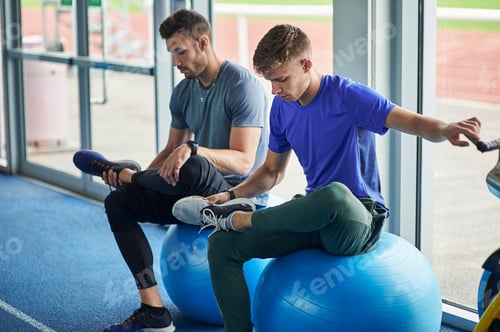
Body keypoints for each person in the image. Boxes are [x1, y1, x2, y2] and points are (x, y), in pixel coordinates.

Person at [172, 24, 482, 332]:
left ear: (306, 65)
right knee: (221, 245)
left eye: (281, 80)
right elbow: (270, 172)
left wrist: (445, 129)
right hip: (314, 216)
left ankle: (242, 219)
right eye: (270, 82)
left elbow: (411, 121)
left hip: (357, 217)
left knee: (333, 194)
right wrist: (230, 196)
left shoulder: (348, 95)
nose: (275, 91)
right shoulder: (281, 108)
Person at [72, 8, 268, 332]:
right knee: (118, 204)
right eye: (171, 53)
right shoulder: (183, 92)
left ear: (202, 42)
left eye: (180, 51)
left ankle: (128, 174)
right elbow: (169, 151)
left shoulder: (241, 85)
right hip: (194, 202)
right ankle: (154, 311)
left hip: (237, 200)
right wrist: (137, 189)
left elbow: (245, 161)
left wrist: (191, 150)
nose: (176, 62)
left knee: (191, 162)